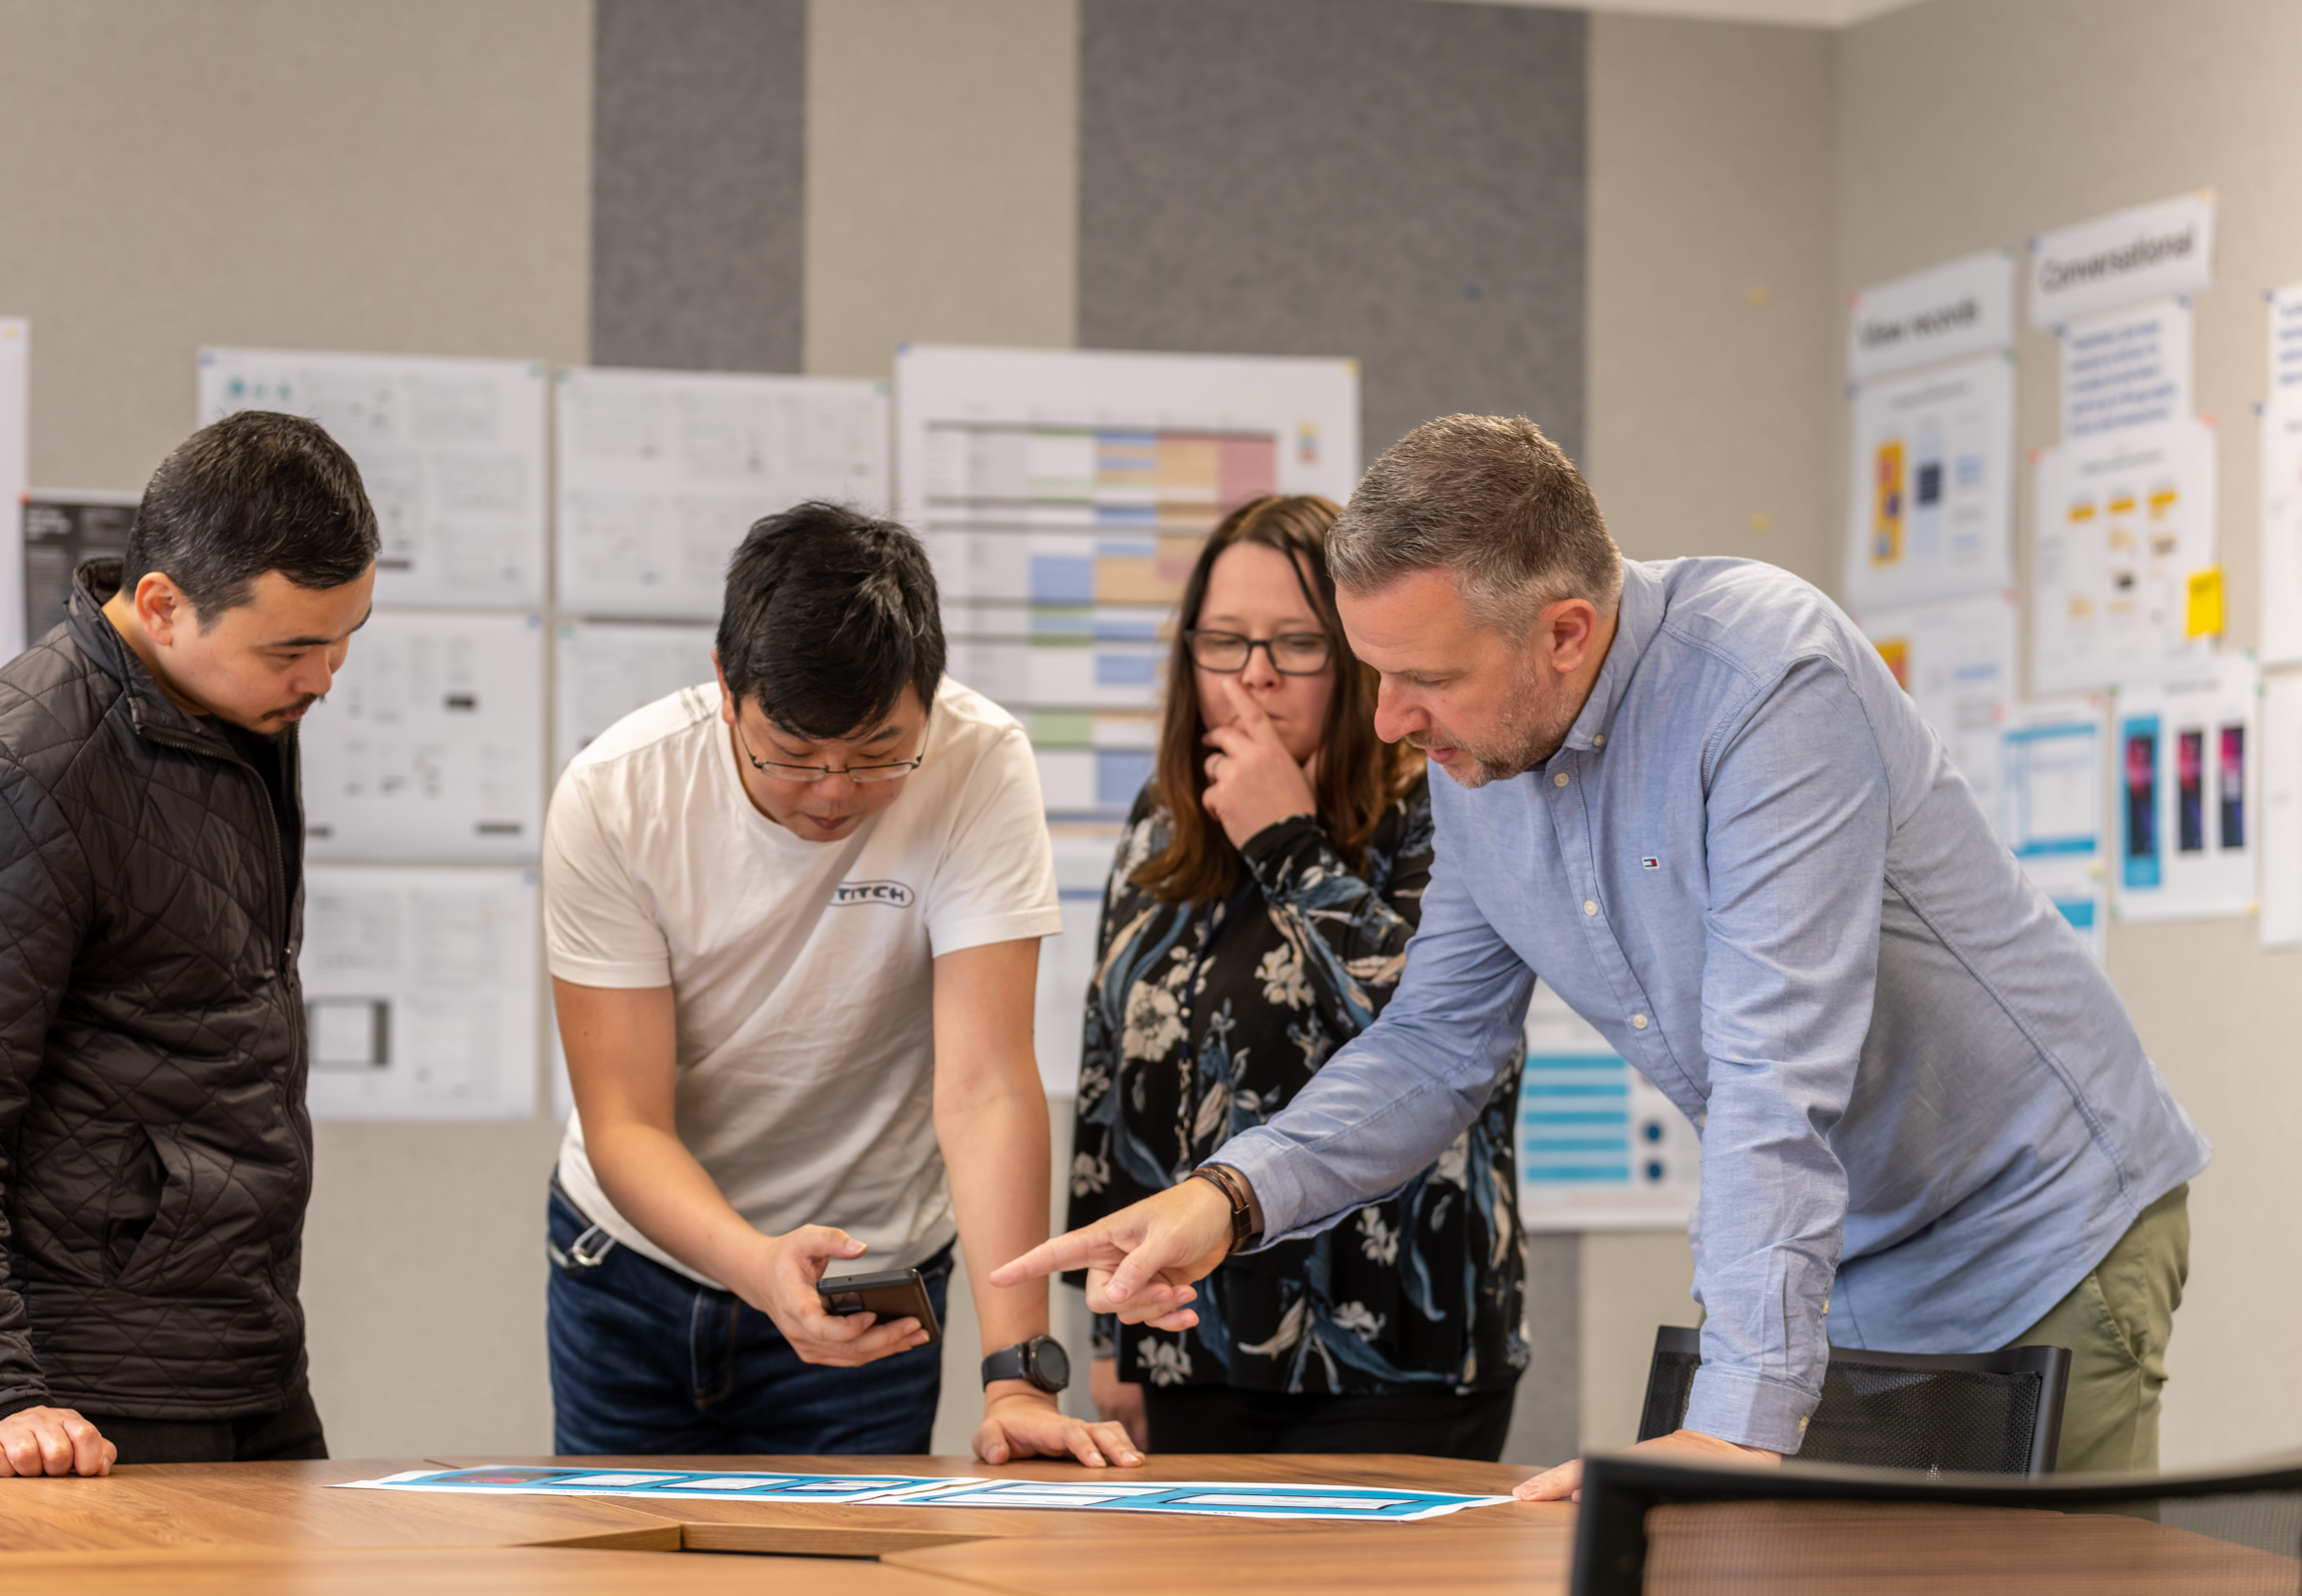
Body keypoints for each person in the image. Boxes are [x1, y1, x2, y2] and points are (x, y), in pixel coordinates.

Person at [997, 414, 2209, 1486]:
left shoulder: (1765, 683)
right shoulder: (1486, 751)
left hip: (2033, 1223)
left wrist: (1731, 1417)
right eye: (1375, 676)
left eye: (1423, 678)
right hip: (1843, 1250)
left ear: (1566, 631)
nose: (1389, 723)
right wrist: (1230, 1196)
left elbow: (1774, 1069)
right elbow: (1431, 1046)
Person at [544, 502, 1138, 1467]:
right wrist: (757, 1267)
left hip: (870, 1270)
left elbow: (985, 1084)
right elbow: (625, 1121)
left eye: (875, 758)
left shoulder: (979, 763)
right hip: (632, 1269)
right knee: (624, 1558)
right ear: (726, 689)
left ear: (929, 699)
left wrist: (1018, 1375)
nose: (831, 793)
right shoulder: (617, 794)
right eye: (789, 757)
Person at [0, 412, 381, 1475]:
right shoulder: (19, 776)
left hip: (249, 1350)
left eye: (347, 637)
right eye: (294, 648)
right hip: (86, 1386)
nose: (325, 677)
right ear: (162, 604)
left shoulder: (228, 715)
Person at [1071, 495, 1525, 1458]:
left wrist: (1289, 843)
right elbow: (1113, 1074)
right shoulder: (1165, 818)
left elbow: (1437, 1036)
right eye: (1224, 642)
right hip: (1196, 1343)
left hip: (1401, 1344)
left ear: (1358, 653)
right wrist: (1109, 1328)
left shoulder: (1446, 803)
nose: (1255, 676)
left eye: (1296, 645)